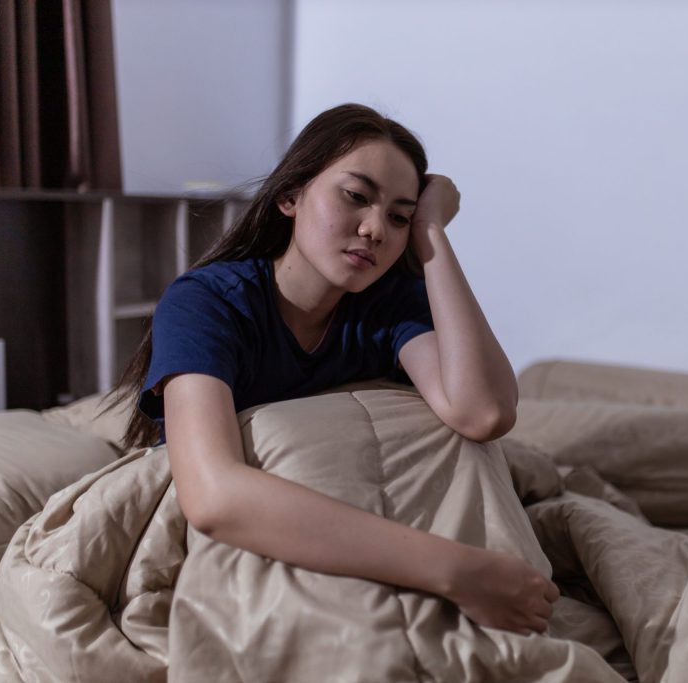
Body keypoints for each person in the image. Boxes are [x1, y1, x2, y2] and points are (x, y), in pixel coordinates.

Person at [109, 103, 559, 636]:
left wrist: (432, 232)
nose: (375, 229)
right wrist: (458, 571)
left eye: (399, 217)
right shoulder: (208, 303)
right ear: (290, 196)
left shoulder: (387, 305)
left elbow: (483, 413)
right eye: (356, 196)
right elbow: (214, 496)